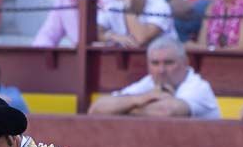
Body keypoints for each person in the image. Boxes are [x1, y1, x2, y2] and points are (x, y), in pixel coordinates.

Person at [89, 34, 219, 119]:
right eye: (155, 63)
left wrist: (124, 109)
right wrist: (142, 98)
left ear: (185, 63)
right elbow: (96, 108)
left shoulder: (198, 87)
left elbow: (166, 112)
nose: (161, 70)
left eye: (168, 63)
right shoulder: (149, 83)